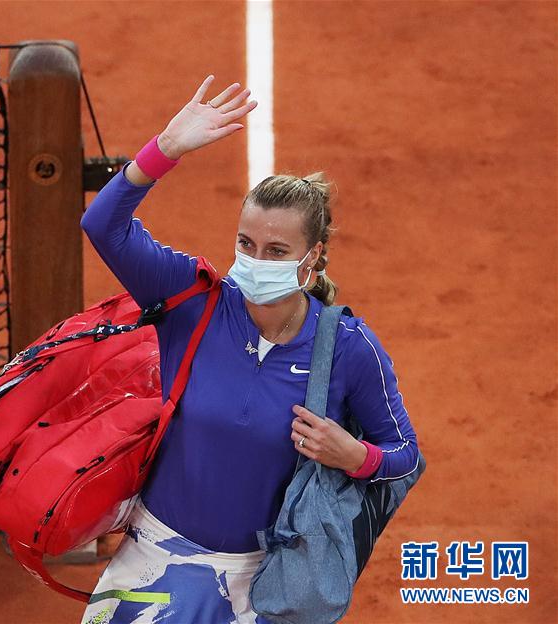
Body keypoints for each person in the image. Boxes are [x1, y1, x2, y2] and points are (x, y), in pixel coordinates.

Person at [78, 75, 420, 624]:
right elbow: (102, 226)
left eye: (277, 250)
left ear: (314, 257)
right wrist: (164, 150)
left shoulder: (347, 349)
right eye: (246, 243)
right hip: (154, 560)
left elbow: (403, 452)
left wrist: (357, 457)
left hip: (267, 583)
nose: (257, 261)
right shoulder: (194, 302)